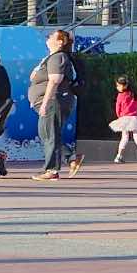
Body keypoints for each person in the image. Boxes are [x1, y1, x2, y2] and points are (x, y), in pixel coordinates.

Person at [30, 28, 83, 180]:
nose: (48, 38)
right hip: (50, 101)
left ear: (60, 42)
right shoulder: (51, 57)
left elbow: (55, 80)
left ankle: (52, 170)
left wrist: (45, 103)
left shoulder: (58, 57)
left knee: (49, 134)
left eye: (51, 36)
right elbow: (34, 76)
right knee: (48, 133)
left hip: (54, 100)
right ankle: (71, 158)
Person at [111, 81, 137, 164]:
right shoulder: (134, 94)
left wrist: (120, 117)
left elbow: (117, 107)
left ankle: (119, 156)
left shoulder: (120, 95)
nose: (117, 87)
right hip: (135, 119)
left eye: (119, 86)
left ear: (125, 86)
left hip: (125, 118)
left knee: (124, 138)